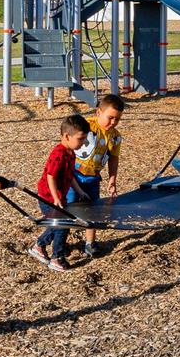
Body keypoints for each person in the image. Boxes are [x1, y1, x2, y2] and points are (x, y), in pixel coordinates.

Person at [31, 115, 91, 271]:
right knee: (62, 225)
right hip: (47, 197)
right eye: (80, 138)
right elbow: (50, 176)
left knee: (58, 224)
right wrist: (56, 197)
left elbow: (70, 176)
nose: (83, 142)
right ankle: (57, 257)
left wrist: (80, 191)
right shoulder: (58, 154)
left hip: (58, 197)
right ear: (66, 136)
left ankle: (39, 246)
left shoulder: (71, 153)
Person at [69, 93, 124, 259]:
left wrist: (112, 179)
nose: (113, 122)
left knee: (93, 210)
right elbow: (69, 144)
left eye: (117, 119)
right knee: (67, 208)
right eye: (110, 118)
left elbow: (113, 158)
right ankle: (57, 240)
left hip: (93, 178)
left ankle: (90, 243)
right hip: (74, 175)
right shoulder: (87, 126)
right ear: (98, 112)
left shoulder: (115, 136)